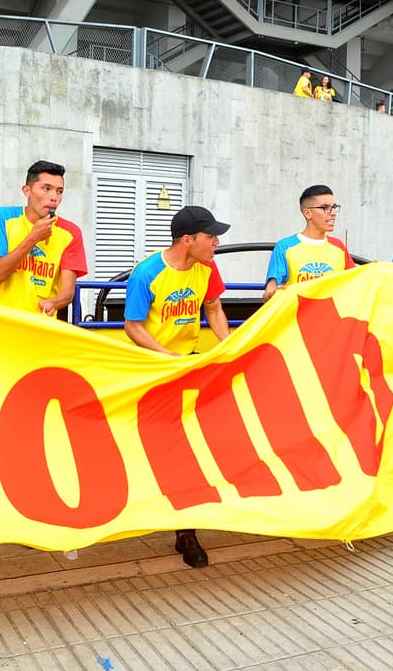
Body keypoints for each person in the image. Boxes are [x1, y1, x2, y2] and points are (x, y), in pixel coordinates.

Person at [124, 205, 232, 569]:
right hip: (152, 370)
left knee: (194, 451)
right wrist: (164, 355)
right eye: (210, 236)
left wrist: (230, 346)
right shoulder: (147, 274)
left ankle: (187, 530)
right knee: (158, 454)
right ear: (188, 240)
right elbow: (133, 326)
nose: (216, 242)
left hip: (188, 366)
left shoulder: (207, 267)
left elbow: (214, 309)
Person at [0, 160, 88, 317]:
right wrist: (33, 238)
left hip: (42, 328)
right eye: (46, 189)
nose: (54, 197)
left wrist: (53, 303)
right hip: (1, 324)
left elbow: (67, 291)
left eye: (59, 191)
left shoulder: (71, 232)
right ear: (27, 191)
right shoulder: (2, 218)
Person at [263, 185, 354, 302]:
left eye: (334, 207)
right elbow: (268, 294)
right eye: (325, 208)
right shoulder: (285, 247)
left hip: (333, 319)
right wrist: (275, 294)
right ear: (307, 213)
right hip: (297, 318)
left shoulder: (339, 247)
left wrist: (375, 270)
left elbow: (355, 283)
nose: (333, 213)